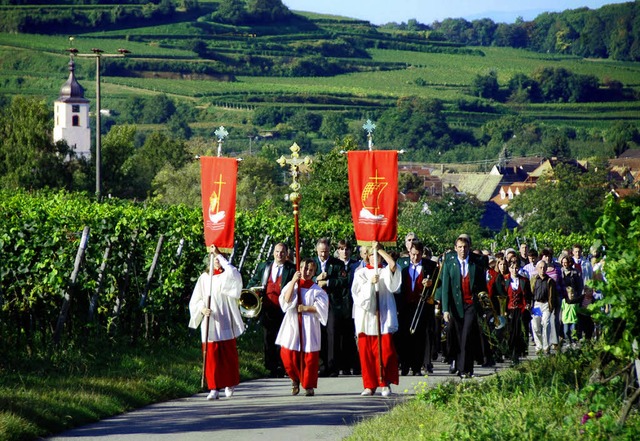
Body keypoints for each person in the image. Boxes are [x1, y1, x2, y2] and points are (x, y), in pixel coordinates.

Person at [189, 245, 245, 400]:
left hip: (225, 319)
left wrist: (220, 255)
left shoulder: (227, 275)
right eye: (214, 258)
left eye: (219, 259)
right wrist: (202, 309)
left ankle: (229, 383)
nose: (217, 262)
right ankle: (213, 387)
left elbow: (235, 275)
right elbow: (196, 299)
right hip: (210, 320)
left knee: (227, 354)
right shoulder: (204, 278)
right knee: (212, 356)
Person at [352, 241, 401, 397]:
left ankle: (385, 383)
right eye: (371, 254)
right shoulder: (360, 273)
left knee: (385, 352)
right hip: (367, 318)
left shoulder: (385, 270)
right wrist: (370, 285)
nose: (374, 257)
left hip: (384, 317)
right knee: (367, 354)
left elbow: (393, 268)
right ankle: (369, 385)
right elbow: (358, 296)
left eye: (377, 254)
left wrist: (381, 250)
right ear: (367, 256)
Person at [276, 258, 329, 397]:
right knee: (288, 354)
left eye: (310, 270)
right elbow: (285, 302)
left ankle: (308, 384)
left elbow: (322, 309)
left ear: (314, 272)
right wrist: (294, 281)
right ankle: (294, 378)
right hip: (293, 322)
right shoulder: (293, 285)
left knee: (309, 358)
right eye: (305, 269)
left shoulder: (317, 290)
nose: (307, 272)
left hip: (309, 324)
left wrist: (306, 308)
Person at [440, 235, 487, 378]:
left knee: (467, 335)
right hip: (456, 306)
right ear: (455, 248)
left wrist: (483, 305)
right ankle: (464, 368)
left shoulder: (476, 263)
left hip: (471, 305)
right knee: (459, 337)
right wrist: (445, 309)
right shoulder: (449, 264)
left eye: (465, 247)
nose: (462, 250)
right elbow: (445, 288)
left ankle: (465, 369)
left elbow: (481, 286)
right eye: (460, 247)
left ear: (469, 248)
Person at [248, 242, 296, 378]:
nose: (279, 255)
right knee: (268, 337)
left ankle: (282, 366)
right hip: (267, 307)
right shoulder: (264, 266)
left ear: (286, 254)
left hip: (283, 308)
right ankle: (270, 367)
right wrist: (252, 290)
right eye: (277, 251)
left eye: (282, 252)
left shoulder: (291, 269)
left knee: (282, 338)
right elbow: (254, 281)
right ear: (273, 252)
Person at [397, 240, 437, 375]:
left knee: (419, 337)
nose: (415, 258)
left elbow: (439, 282)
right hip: (405, 305)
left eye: (418, 255)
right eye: (413, 254)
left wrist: (431, 283)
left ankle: (417, 367)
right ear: (409, 252)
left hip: (422, 306)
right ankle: (404, 365)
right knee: (404, 336)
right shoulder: (402, 265)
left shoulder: (430, 266)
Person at [313, 238, 348, 377]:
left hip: (332, 303)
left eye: (326, 252)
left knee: (332, 333)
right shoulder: (312, 263)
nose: (323, 255)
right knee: (318, 333)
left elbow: (344, 281)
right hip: (316, 303)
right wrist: (317, 278)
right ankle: (321, 366)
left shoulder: (338, 264)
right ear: (317, 251)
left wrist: (327, 282)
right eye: (321, 252)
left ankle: (333, 367)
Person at [335, 239, 361, 375]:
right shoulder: (335, 264)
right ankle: (342, 366)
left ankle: (355, 365)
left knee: (352, 337)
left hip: (352, 304)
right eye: (341, 249)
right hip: (339, 305)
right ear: (338, 250)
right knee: (340, 336)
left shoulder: (355, 265)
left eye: (347, 249)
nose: (344, 252)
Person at [505, 257, 532, 364]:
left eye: (516, 268)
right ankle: (511, 353)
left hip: (521, 309)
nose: (514, 270)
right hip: (510, 309)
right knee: (511, 332)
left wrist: (528, 305)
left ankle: (518, 354)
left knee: (519, 332)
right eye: (512, 268)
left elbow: (528, 295)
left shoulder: (524, 280)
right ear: (509, 269)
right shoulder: (506, 281)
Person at [530, 260, 558, 355]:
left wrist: (551, 306)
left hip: (546, 304)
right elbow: (531, 292)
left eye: (544, 267)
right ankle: (539, 346)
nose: (542, 269)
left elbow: (553, 295)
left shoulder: (550, 281)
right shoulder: (534, 279)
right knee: (536, 326)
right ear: (537, 269)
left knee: (546, 324)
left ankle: (546, 347)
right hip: (537, 305)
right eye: (540, 267)